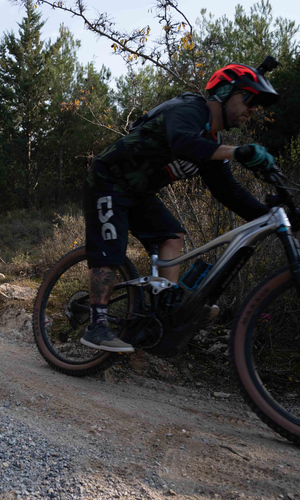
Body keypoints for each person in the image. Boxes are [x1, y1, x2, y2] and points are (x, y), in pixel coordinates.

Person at [82, 59, 281, 353]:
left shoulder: (213, 141)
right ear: (225, 92)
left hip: (139, 193)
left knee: (171, 237)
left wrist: (274, 217)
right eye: (249, 99)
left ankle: (161, 313)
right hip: (108, 179)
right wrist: (238, 152)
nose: (253, 110)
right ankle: (97, 325)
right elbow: (182, 142)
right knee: (111, 248)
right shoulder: (190, 110)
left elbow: (228, 192)